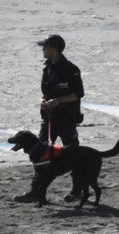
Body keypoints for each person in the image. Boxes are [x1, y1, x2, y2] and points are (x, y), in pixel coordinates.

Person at [14, 33, 85, 203]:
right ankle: (36, 191)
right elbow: (45, 93)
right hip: (49, 118)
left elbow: (78, 94)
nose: (43, 50)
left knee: (73, 154)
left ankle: (77, 191)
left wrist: (58, 101)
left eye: (45, 47)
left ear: (54, 49)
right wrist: (44, 102)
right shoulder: (47, 68)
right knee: (39, 153)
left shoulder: (71, 69)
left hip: (67, 119)